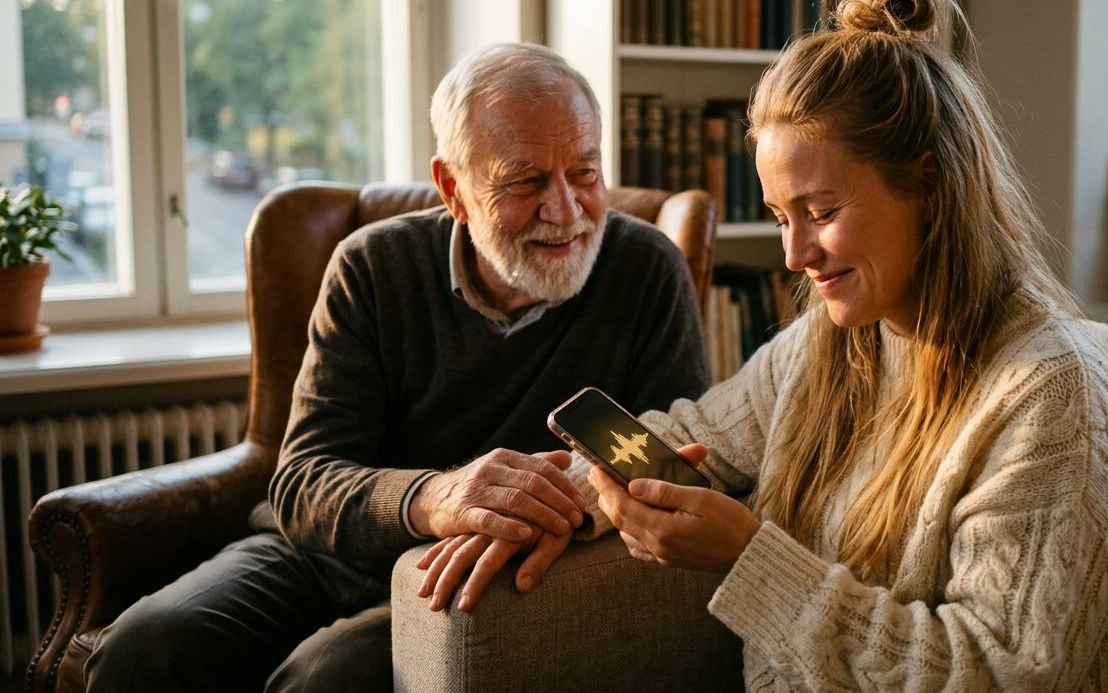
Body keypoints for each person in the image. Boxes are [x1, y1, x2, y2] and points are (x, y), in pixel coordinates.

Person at [424, 0, 1108, 691]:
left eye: (820, 212)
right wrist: (545, 502)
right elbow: (693, 436)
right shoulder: (835, 342)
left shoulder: (1051, 398)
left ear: (931, 184)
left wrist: (751, 559)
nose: (794, 254)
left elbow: (1000, 674)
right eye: (782, 218)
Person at [84, 42, 710, 691]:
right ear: (453, 189)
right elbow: (302, 481)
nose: (566, 210)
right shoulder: (372, 267)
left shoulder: (644, 271)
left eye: (584, 171)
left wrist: (561, 511)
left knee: (325, 679)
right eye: (525, 181)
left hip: (480, 570)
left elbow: (666, 464)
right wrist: (433, 496)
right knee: (143, 647)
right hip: (328, 556)